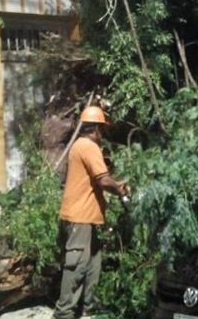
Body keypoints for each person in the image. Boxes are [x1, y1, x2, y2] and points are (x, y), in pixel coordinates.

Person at [53, 105, 129, 319]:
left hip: (88, 217)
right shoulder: (88, 146)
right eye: (102, 129)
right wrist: (119, 188)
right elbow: (103, 180)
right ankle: (64, 313)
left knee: (93, 263)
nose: (103, 134)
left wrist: (115, 185)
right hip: (80, 218)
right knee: (76, 266)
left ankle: (89, 308)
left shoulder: (79, 145)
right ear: (96, 129)